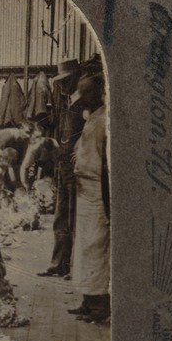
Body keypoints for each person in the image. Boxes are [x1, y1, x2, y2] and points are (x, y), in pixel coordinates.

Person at [67, 72, 109, 322]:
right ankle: (87, 299)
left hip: (97, 192)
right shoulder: (91, 117)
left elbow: (107, 164)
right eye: (81, 92)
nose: (83, 97)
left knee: (96, 246)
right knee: (84, 247)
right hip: (84, 189)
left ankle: (100, 305)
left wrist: (108, 203)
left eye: (88, 92)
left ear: (100, 92)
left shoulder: (105, 120)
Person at [39, 60, 86, 278]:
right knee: (61, 216)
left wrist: (78, 150)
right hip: (64, 166)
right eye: (61, 82)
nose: (63, 85)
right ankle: (58, 263)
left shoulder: (84, 105)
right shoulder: (69, 103)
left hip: (76, 168)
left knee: (73, 217)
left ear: (75, 79)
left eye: (66, 81)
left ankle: (73, 265)